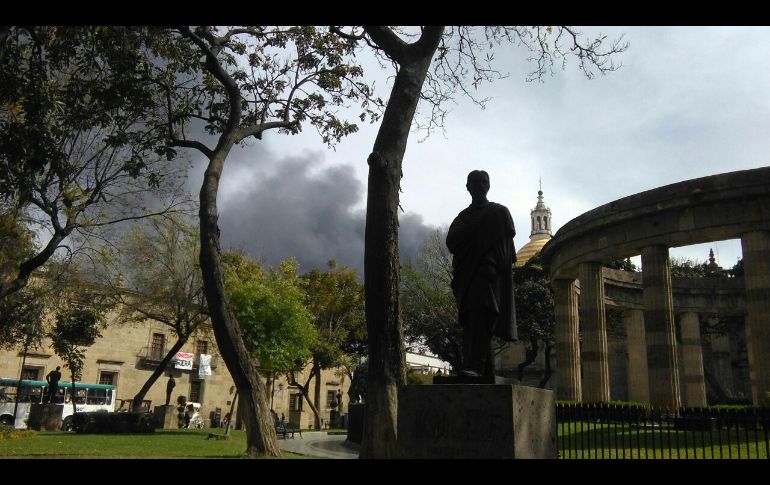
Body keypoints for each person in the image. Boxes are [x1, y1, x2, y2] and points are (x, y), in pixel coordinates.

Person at [446, 170, 517, 379]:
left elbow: (506, 252)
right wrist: (475, 230)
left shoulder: (499, 213)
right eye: (475, 182)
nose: (479, 185)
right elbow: (452, 241)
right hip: (466, 276)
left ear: (488, 186)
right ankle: (484, 369)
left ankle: (476, 366)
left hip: (488, 275)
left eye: (483, 182)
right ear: (468, 187)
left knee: (480, 316)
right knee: (472, 321)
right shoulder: (463, 217)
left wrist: (491, 266)